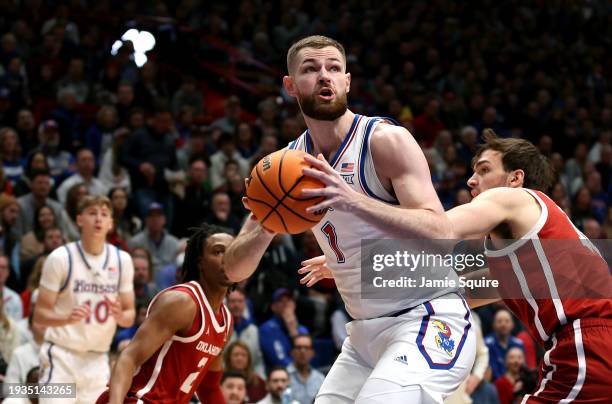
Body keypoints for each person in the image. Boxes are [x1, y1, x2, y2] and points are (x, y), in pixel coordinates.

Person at [225, 35, 475, 403]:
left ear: (347, 81)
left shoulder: (385, 141)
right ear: (291, 86)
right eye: (311, 69)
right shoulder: (285, 167)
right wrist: (268, 223)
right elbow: (233, 269)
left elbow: (442, 232)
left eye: (333, 68)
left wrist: (352, 200)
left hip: (427, 318)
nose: (324, 76)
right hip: (361, 337)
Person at [306, 130, 612, 402]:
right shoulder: (530, 252)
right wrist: (357, 266)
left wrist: (353, 203)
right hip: (583, 348)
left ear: (515, 178)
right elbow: (453, 291)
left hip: (587, 346)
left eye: (484, 169)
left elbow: (441, 230)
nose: (471, 180)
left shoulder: (514, 199)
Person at [97, 224, 234, 404]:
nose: (227, 259)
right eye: (218, 252)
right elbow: (128, 357)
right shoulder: (182, 302)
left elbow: (209, 388)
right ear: (199, 261)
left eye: (232, 252)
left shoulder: (226, 321)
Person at [33, 195, 135, 404]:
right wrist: (66, 318)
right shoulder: (60, 258)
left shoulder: (122, 260)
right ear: (79, 220)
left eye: (104, 214)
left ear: (111, 223)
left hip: (97, 360)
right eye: (92, 213)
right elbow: (40, 316)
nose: (98, 219)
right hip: (61, 357)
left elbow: (129, 316)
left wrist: (119, 315)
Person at [287, 334, 326, 404]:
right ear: (292, 352)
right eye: (298, 347)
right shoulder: (282, 377)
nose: (302, 351)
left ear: (312, 353)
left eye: (307, 348)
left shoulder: (320, 378)